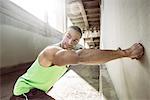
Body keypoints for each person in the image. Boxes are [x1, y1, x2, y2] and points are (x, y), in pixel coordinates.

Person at [10, 26, 144, 100]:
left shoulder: (69, 50)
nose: (70, 42)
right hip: (24, 93)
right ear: (64, 34)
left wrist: (114, 52)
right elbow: (79, 56)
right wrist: (126, 53)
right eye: (68, 36)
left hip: (37, 92)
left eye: (74, 40)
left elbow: (89, 53)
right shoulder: (51, 52)